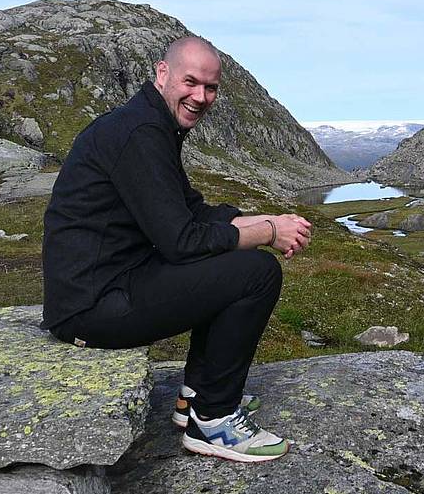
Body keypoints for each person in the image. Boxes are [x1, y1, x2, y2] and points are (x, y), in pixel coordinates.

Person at [41, 35, 312, 463]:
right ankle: (215, 420)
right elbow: (181, 242)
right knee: (257, 273)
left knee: (231, 258)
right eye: (191, 82)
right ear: (162, 73)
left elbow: (192, 214)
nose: (201, 96)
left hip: (110, 285)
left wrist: (273, 224)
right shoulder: (140, 133)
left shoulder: (150, 125)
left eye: (211, 88)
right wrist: (265, 233)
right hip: (92, 308)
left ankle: (196, 398)